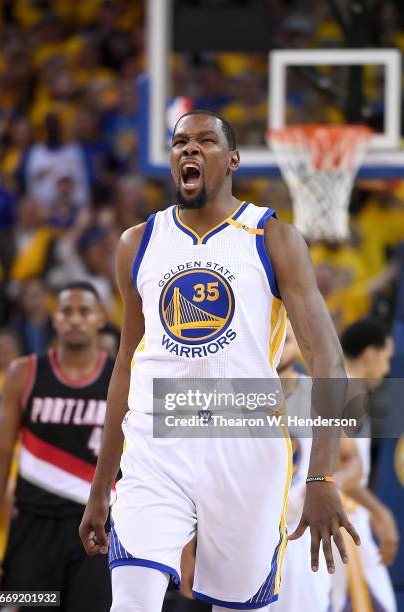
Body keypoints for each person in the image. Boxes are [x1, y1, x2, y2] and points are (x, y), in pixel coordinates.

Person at [79, 110, 360, 611]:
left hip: (245, 447)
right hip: (155, 445)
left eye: (205, 141)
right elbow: (126, 363)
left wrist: (320, 477)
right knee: (131, 602)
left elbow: (329, 364)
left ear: (232, 160)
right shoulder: (137, 244)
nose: (189, 149)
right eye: (180, 142)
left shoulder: (272, 239)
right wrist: (101, 484)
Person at [0, 281, 114, 611]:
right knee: (22, 606)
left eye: (84, 311)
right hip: (31, 526)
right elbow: (0, 454)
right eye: (66, 311)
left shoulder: (120, 377)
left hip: (97, 531)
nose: (75, 319)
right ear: (54, 318)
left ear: (100, 318)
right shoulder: (23, 372)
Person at [271, 321, 363, 612]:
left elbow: (353, 462)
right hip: (245, 531)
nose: (275, 347)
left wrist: (322, 486)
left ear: (299, 343)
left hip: (300, 529)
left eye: (285, 340)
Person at [331, 318, 398, 612]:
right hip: (341, 522)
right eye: (386, 359)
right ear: (370, 354)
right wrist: (379, 511)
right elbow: (336, 473)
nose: (387, 369)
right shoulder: (345, 392)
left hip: (344, 518)